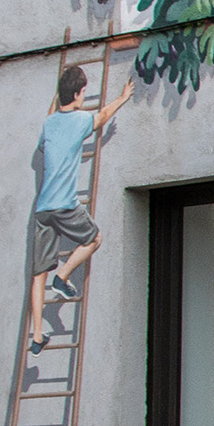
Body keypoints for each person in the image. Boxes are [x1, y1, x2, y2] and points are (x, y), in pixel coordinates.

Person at [27, 61, 132, 353]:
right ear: (78, 94)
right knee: (94, 238)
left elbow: (43, 146)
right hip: (65, 205)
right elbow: (103, 116)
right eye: (83, 92)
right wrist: (122, 97)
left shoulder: (49, 124)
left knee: (37, 275)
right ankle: (63, 277)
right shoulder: (79, 121)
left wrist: (57, 98)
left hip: (42, 209)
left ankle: (37, 334)